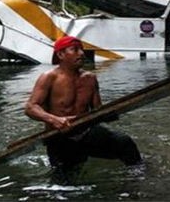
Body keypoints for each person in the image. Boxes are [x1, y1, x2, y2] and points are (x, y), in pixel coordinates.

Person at [24, 35, 142, 183]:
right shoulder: (49, 77)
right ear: (60, 54)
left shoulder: (90, 78)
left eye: (81, 50)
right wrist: (55, 119)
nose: (81, 53)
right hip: (60, 137)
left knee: (125, 143)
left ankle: (139, 178)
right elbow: (30, 107)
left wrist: (111, 114)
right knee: (65, 181)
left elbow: (97, 110)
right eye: (75, 50)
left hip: (87, 132)